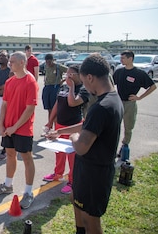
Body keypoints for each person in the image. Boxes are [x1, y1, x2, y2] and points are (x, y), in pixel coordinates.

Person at [46, 54, 123, 234]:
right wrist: (59, 131)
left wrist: (72, 136)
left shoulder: (101, 107)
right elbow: (88, 125)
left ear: (90, 77)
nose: (85, 87)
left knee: (91, 221)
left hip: (94, 172)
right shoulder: (112, 99)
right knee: (76, 201)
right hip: (89, 170)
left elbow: (80, 146)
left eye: (83, 81)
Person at [0, 51, 39, 210]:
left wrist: (14, 127)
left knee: (26, 158)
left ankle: (28, 192)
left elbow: (29, 109)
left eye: (12, 61)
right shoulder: (10, 82)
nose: (9, 64)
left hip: (22, 129)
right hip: (8, 127)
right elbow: (4, 104)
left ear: (22, 63)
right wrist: (2, 124)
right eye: (9, 61)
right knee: (10, 154)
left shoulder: (30, 82)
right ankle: (8, 185)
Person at [43, 65, 89, 194]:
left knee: (72, 156)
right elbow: (58, 103)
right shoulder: (63, 86)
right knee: (59, 152)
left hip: (73, 127)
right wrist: (50, 121)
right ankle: (58, 173)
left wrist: (72, 87)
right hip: (60, 125)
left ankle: (72, 181)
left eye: (70, 74)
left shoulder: (83, 89)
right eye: (66, 74)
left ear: (78, 76)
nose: (67, 76)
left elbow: (72, 102)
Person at [113, 50, 156, 156]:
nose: (121, 60)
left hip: (130, 104)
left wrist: (140, 97)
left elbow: (153, 86)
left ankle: (124, 147)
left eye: (123, 58)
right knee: (114, 127)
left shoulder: (139, 73)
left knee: (128, 127)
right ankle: (112, 148)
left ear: (130, 59)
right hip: (118, 103)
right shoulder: (119, 72)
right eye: (120, 58)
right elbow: (110, 84)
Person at [42, 53, 67, 117]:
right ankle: (49, 125)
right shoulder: (45, 66)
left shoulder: (58, 66)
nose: (48, 63)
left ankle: (55, 125)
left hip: (55, 87)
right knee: (48, 108)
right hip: (47, 87)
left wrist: (63, 80)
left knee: (55, 108)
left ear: (53, 60)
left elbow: (70, 71)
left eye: (49, 62)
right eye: (46, 62)